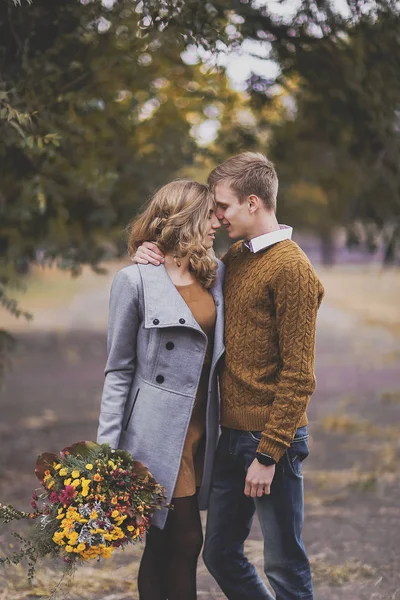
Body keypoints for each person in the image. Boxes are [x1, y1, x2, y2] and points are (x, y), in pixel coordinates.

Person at [133, 152, 325, 600]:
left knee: (284, 563)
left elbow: (299, 376)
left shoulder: (293, 269)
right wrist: (146, 251)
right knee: (219, 553)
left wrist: (269, 453)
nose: (216, 217)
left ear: (253, 202)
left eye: (223, 206)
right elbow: (182, 272)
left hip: (271, 439)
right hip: (231, 435)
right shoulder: (235, 258)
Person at [97, 179, 225, 600]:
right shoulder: (135, 280)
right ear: (186, 219)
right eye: (209, 216)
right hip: (157, 430)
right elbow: (118, 369)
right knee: (186, 539)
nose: (217, 224)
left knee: (169, 541)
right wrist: (107, 450)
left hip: (202, 423)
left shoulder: (215, 273)